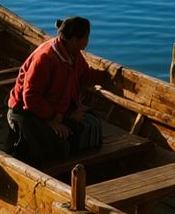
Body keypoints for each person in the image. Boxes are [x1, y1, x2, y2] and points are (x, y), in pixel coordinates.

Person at [6, 16, 103, 165]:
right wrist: (54, 119)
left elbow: (84, 76)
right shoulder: (45, 58)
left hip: (53, 107)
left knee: (92, 126)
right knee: (57, 147)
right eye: (86, 37)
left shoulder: (74, 54)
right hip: (26, 111)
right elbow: (30, 96)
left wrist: (106, 77)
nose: (88, 40)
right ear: (74, 40)